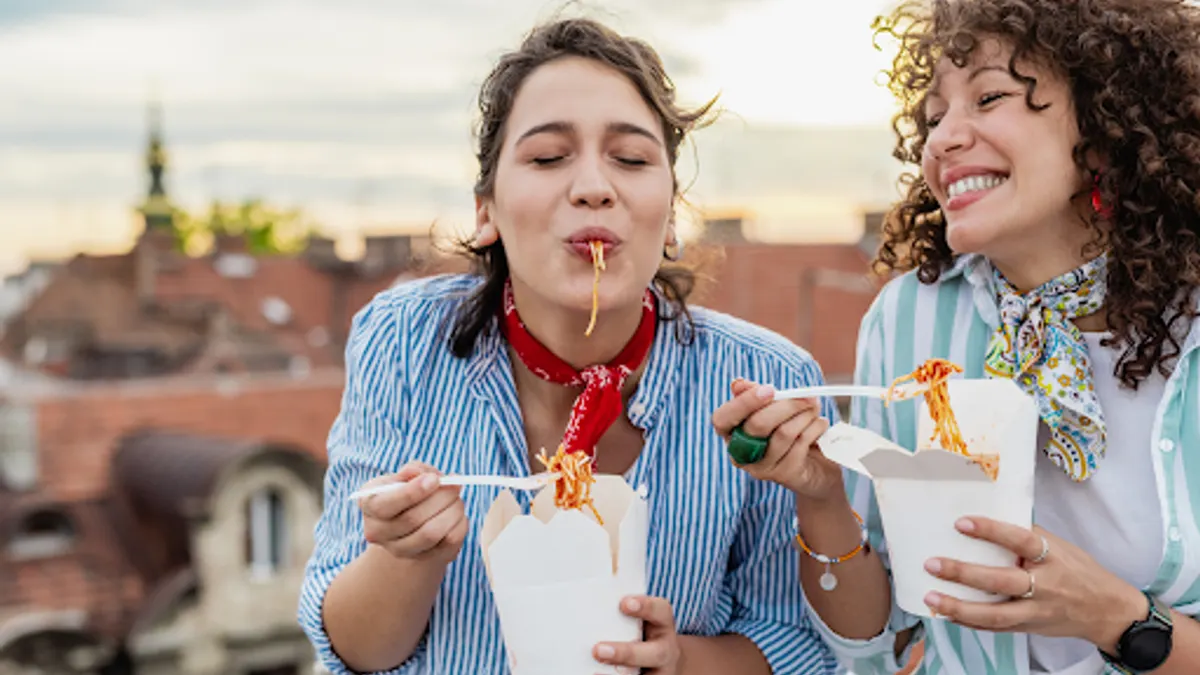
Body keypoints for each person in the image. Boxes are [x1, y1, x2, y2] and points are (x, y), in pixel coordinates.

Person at [297, 16, 839, 675]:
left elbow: (803, 643)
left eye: (633, 159)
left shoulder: (768, 377)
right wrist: (403, 557)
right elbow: (354, 649)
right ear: (486, 210)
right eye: (549, 157)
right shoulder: (403, 340)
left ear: (671, 217)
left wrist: (680, 662)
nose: (592, 185)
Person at [713, 0, 1200, 673]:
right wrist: (821, 495)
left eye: (989, 96)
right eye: (934, 116)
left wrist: (1113, 616)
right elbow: (875, 637)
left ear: (1106, 124)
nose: (941, 140)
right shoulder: (906, 318)